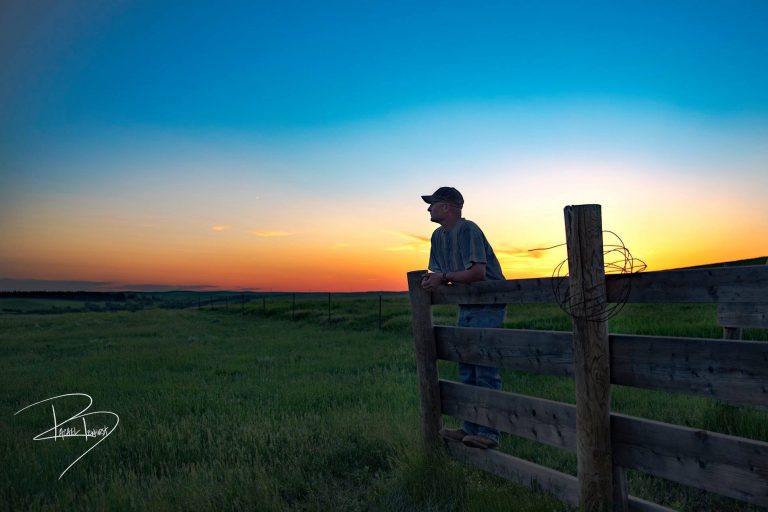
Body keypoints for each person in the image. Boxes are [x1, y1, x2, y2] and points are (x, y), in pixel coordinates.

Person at [420, 186, 506, 449]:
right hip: (466, 304)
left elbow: (478, 273)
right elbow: (442, 272)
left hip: (487, 304)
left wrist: (442, 278)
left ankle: (489, 434)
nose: (428, 208)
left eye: (432, 204)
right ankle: (470, 428)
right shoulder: (437, 236)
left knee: (484, 368)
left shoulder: (469, 230)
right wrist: (436, 279)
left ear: (446, 206)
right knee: (467, 368)